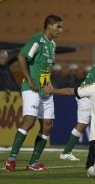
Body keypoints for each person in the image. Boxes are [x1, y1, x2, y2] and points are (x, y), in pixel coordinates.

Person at [5, 15, 63, 172]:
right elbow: (21, 56)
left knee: (47, 125)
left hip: (45, 89)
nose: (60, 30)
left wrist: (49, 85)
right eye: (58, 26)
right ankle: (11, 159)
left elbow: (47, 68)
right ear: (49, 26)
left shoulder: (53, 45)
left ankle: (34, 162)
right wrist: (29, 79)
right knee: (29, 121)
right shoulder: (38, 39)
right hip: (32, 88)